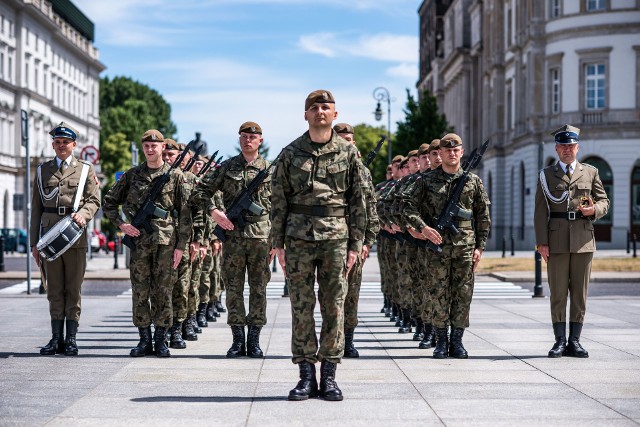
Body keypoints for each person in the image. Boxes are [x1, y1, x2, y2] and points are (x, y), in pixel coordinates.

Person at [271, 90, 366, 401]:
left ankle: (329, 376)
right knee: (301, 307)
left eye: (326, 107)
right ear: (306, 115)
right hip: (298, 239)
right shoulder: (290, 153)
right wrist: (278, 243)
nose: (320, 112)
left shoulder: (348, 153)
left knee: (334, 308)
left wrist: (356, 244)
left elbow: (358, 202)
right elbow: (278, 201)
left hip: (336, 239)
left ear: (335, 115)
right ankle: (305, 374)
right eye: (314, 108)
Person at [102, 130, 192, 358]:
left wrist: (181, 246)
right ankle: (144, 340)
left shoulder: (176, 176)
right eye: (146, 146)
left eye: (155, 146)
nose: (150, 150)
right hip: (140, 242)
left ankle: (161, 339)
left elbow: (184, 213)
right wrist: (122, 225)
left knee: (164, 291)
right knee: (140, 291)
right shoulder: (132, 175)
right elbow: (109, 203)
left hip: (166, 242)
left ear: (163, 147)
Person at [404, 133, 490, 359]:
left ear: (461, 152)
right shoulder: (426, 180)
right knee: (437, 292)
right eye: (447, 150)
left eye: (456, 150)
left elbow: (483, 217)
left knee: (462, 294)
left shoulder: (473, 181)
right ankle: (441, 340)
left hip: (465, 247)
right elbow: (407, 207)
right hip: (437, 247)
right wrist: (423, 228)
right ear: (439, 154)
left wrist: (480, 247)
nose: (452, 153)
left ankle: (457, 341)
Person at [191, 121, 273, 359]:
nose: (248, 140)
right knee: (234, 289)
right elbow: (200, 192)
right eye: (244, 136)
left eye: (252, 137)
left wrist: (278, 240)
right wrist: (214, 212)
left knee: (259, 289)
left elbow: (281, 205)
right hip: (233, 237)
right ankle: (238, 340)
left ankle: (254, 340)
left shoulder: (270, 169)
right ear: (239, 140)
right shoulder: (227, 167)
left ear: (260, 140)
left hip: (260, 239)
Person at [534, 124, 609, 358]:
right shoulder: (547, 175)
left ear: (577, 147)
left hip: (583, 239)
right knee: (557, 292)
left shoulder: (591, 172)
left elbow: (605, 201)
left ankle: (575, 341)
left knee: (579, 293)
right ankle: (559, 341)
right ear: (556, 149)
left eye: (571, 146)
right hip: (555, 240)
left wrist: (594, 210)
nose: (567, 150)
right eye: (563, 146)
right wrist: (541, 242)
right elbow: (539, 212)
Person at [30, 122, 100, 356]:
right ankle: (55, 338)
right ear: (53, 144)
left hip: (74, 236)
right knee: (54, 290)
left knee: (73, 289)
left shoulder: (85, 169)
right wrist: (34, 243)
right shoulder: (42, 171)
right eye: (57, 142)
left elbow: (94, 200)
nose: (61, 146)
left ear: (73, 145)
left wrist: (84, 214)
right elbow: (36, 210)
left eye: (65, 142)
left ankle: (71, 339)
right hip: (49, 238)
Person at [333, 123, 380, 358]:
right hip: (330, 240)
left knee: (352, 294)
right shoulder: (326, 168)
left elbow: (371, 208)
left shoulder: (363, 171)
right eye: (342, 138)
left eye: (349, 139)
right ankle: (333, 339)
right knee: (332, 294)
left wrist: (367, 241)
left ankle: (348, 340)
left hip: (355, 240)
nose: (346, 142)